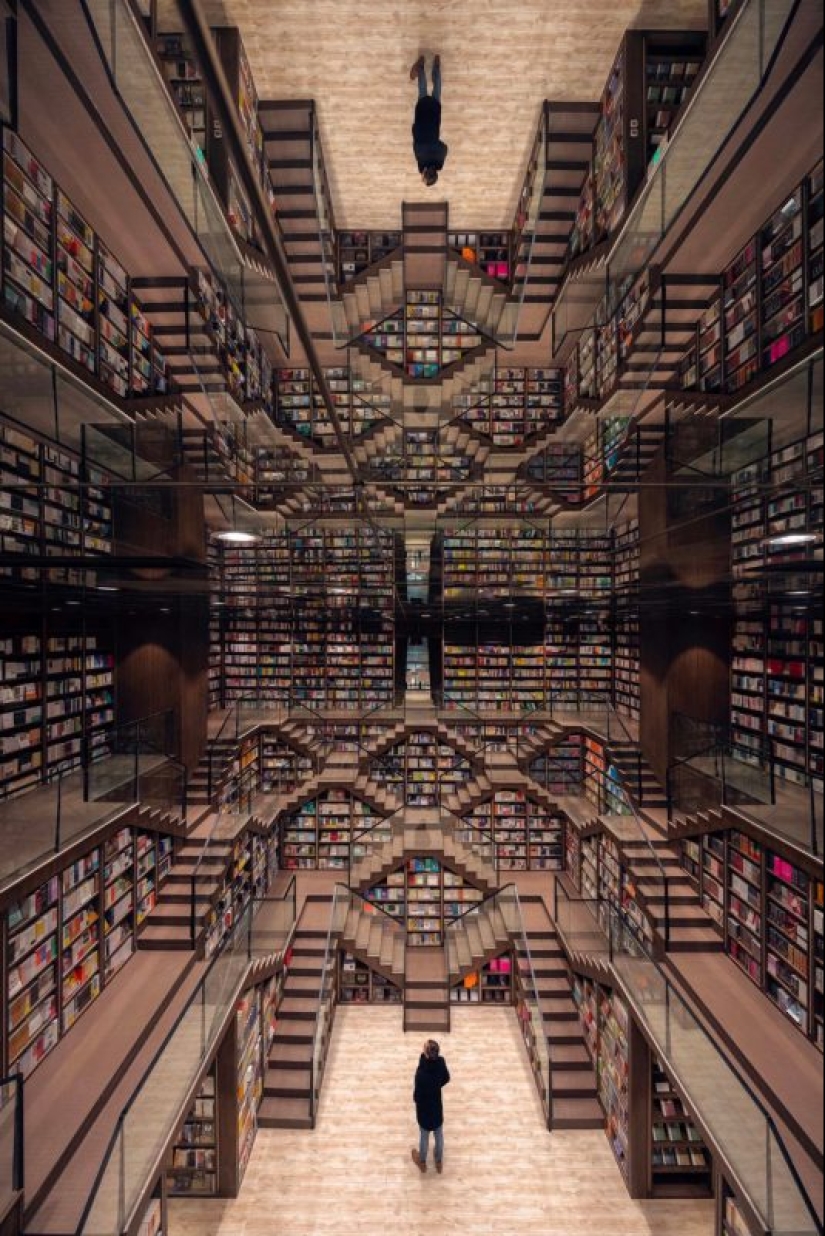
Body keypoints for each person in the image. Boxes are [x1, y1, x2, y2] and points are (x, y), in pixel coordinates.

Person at [411, 1039, 450, 1174]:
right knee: (439, 1134)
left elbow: (417, 1096)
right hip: (437, 1107)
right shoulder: (441, 1062)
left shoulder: (421, 1073)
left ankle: (422, 1161)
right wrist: (436, 1085)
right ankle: (438, 1161)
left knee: (424, 1136)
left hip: (424, 1111)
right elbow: (446, 1078)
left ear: (426, 1054)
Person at [410, 55, 448, 187]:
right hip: (421, 119)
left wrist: (434, 141)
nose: (421, 177)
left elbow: (445, 147)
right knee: (422, 91)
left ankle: (436, 67)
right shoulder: (420, 159)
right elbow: (415, 142)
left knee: (436, 93)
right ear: (425, 173)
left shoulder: (439, 162)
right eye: (423, 178)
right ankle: (420, 68)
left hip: (434, 122)